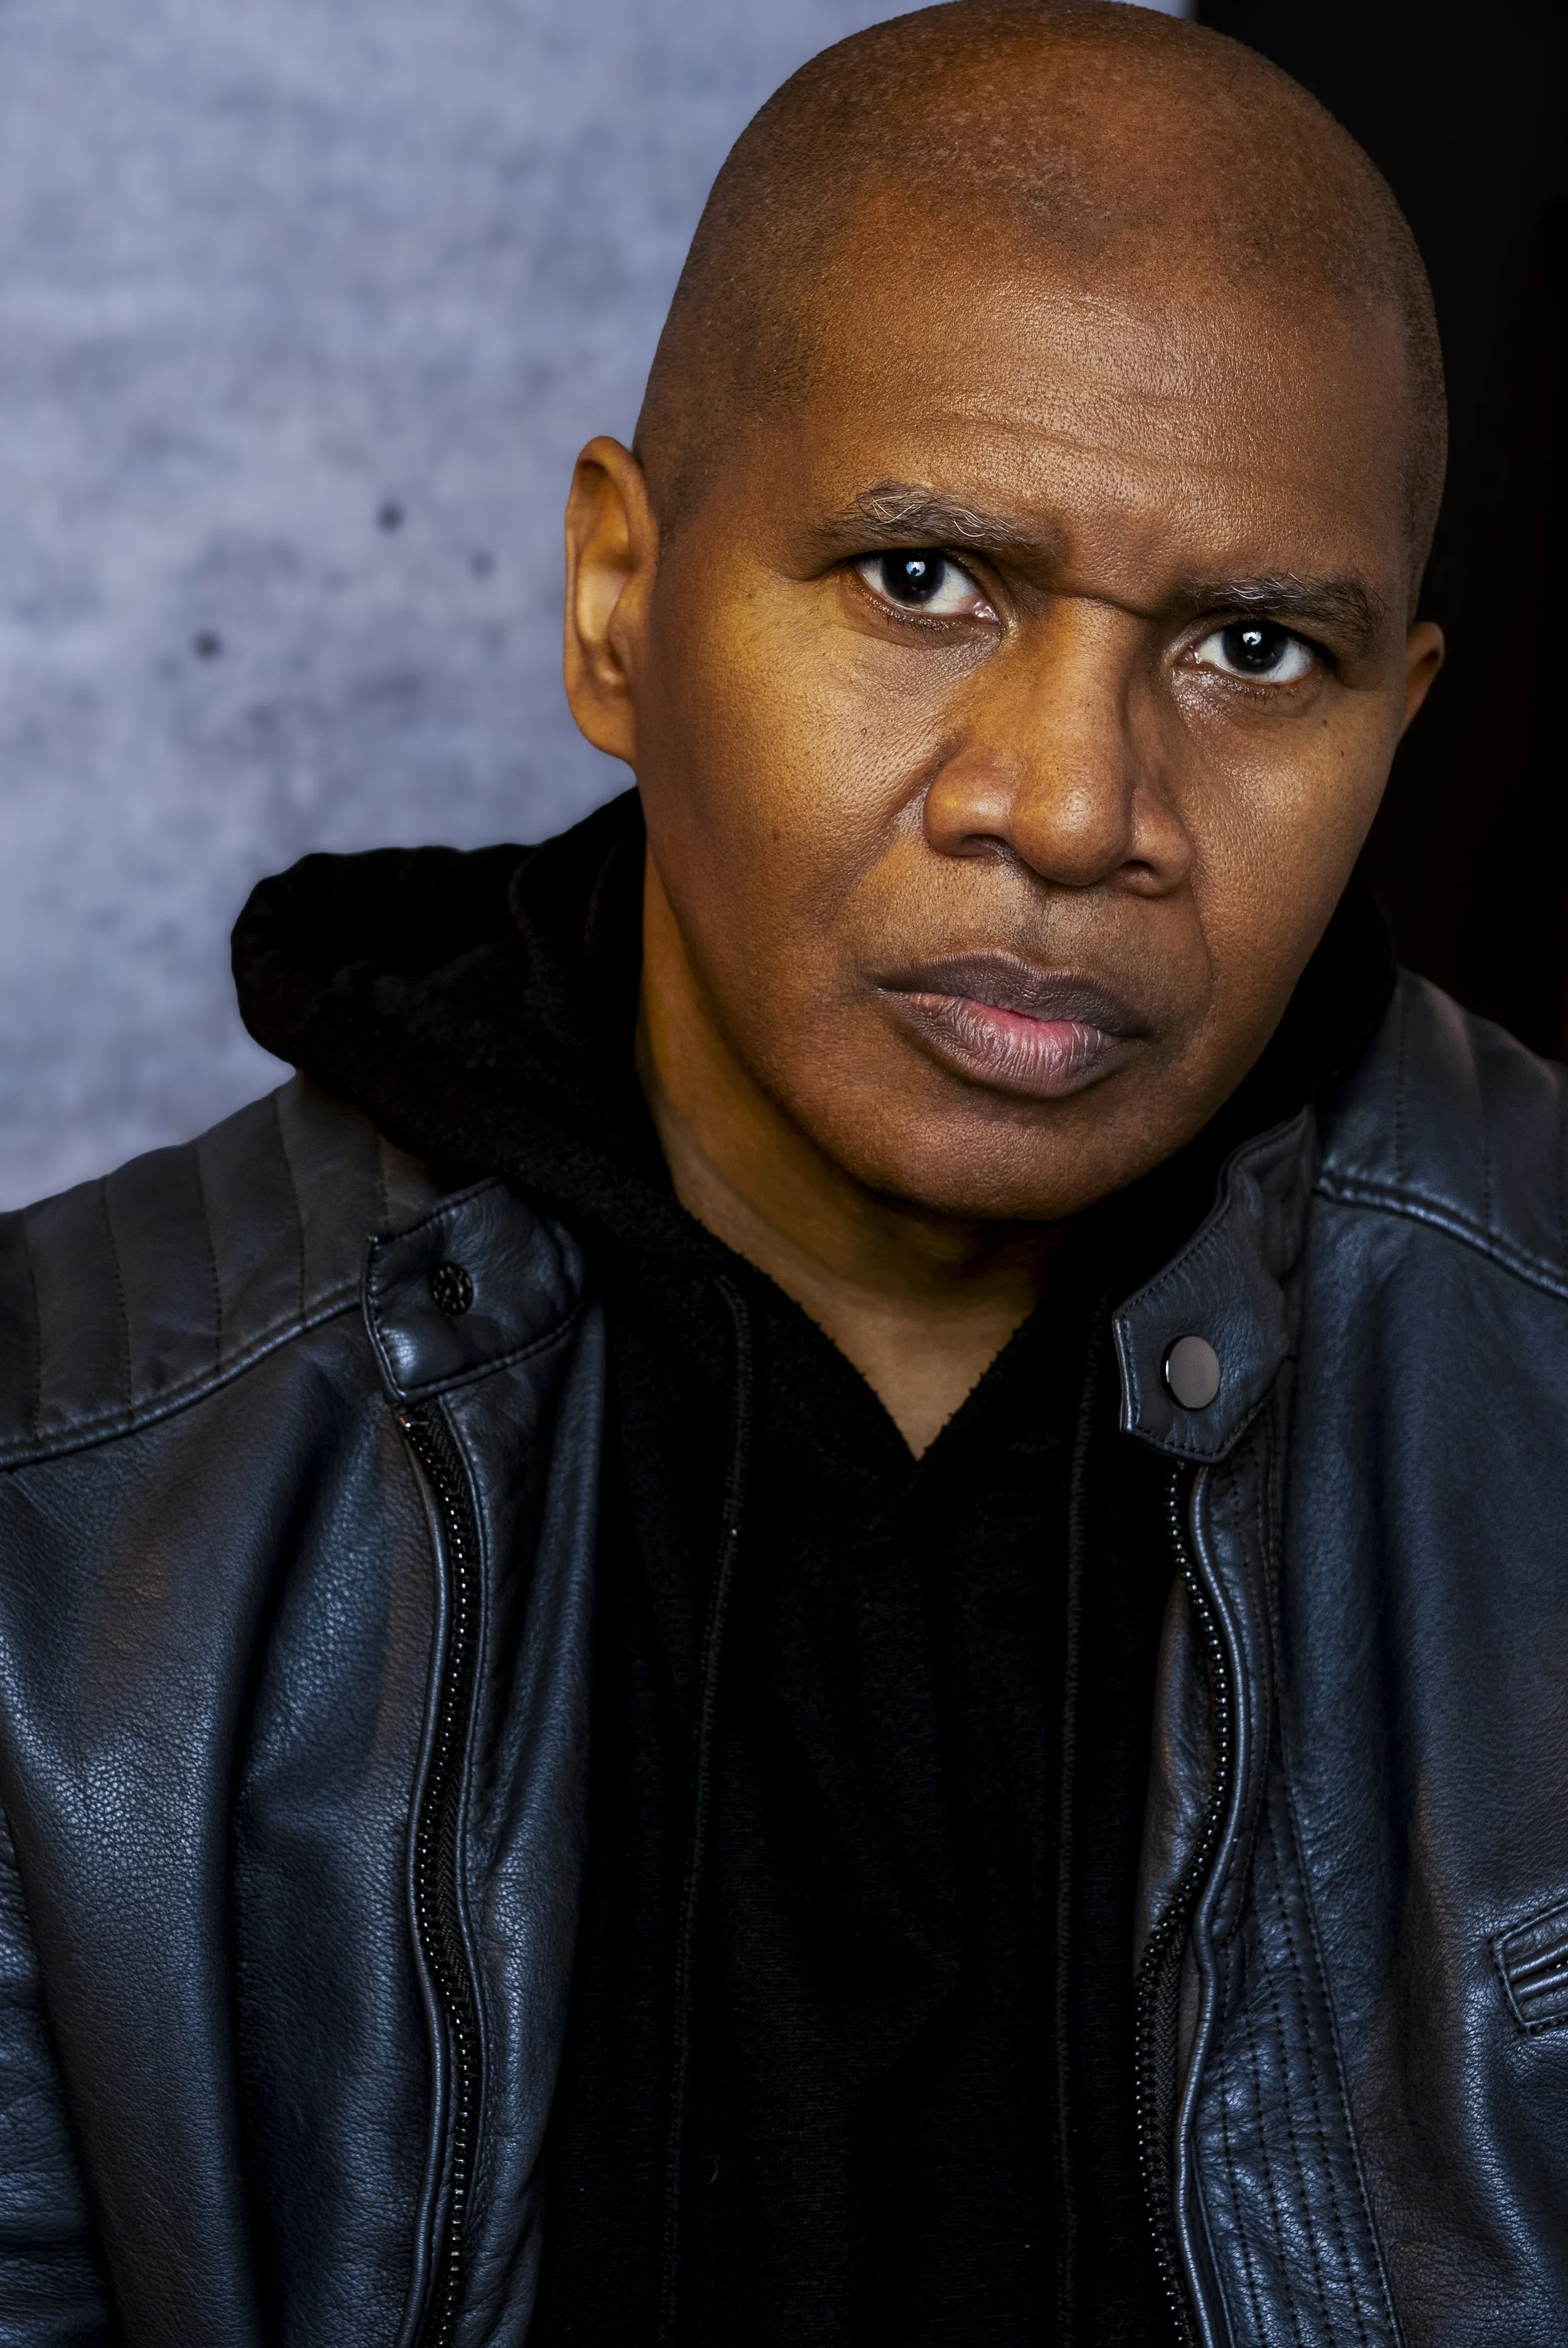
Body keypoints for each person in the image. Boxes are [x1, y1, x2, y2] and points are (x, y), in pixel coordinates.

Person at [0, 2, 1559, 2340]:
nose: (1067, 802)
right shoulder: (54, 1498)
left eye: (1253, 646)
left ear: (1395, 724)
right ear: (619, 599)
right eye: (922, 577)